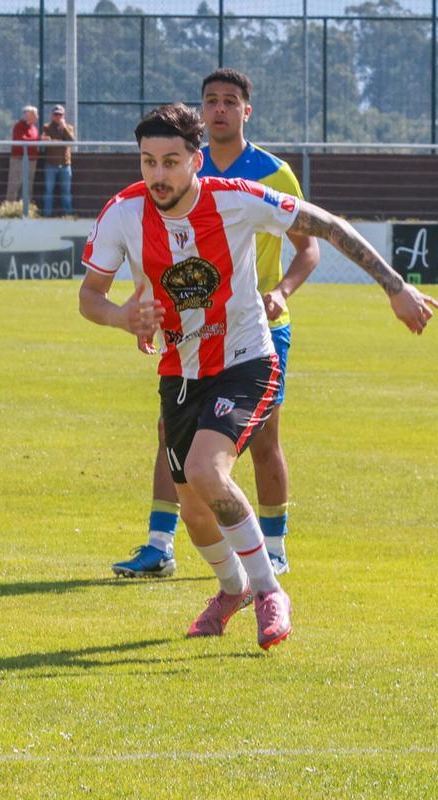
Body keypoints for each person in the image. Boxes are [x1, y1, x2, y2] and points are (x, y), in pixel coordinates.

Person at [79, 103, 437, 649]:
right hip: (180, 371)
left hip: (246, 359)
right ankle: (232, 590)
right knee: (197, 515)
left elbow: (328, 227)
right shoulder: (123, 212)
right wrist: (121, 316)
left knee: (206, 469)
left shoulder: (237, 198)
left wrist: (396, 287)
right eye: (148, 162)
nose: (157, 175)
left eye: (171, 161)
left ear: (196, 161)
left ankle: (270, 590)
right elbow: (90, 297)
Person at [112, 69, 322, 579]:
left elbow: (309, 246)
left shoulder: (271, 172)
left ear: (246, 110)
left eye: (230, 101)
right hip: (192, 329)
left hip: (259, 326)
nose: (220, 109)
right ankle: (160, 543)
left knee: (264, 439)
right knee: (172, 433)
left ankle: (272, 549)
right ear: (201, 112)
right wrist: (139, 308)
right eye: (211, 101)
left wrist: (282, 291)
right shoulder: (176, 171)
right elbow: (157, 254)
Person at [41, 105, 75, 217]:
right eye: (56, 114)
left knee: (66, 192)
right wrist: (60, 142)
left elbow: (71, 141)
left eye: (60, 114)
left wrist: (64, 128)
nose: (58, 116)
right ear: (52, 115)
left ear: (63, 116)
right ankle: (47, 214)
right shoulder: (46, 127)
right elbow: (46, 141)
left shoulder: (69, 127)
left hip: (65, 165)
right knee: (48, 191)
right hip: (50, 164)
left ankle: (68, 214)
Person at [6, 105, 40, 203]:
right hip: (18, 159)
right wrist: (38, 140)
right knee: (14, 185)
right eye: (34, 114)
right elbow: (22, 140)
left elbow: (34, 141)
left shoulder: (34, 128)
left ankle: (26, 210)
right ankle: (9, 209)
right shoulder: (18, 126)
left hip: (32, 160)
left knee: (28, 186)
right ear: (28, 115)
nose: (37, 117)